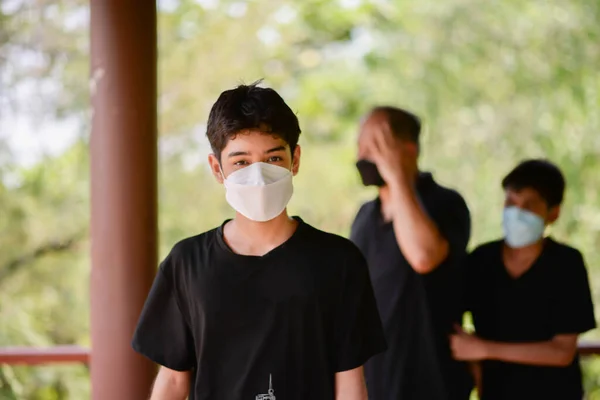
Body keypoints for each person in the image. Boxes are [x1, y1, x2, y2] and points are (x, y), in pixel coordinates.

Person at [131, 82, 387, 400]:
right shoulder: (187, 262)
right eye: (241, 161)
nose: (258, 174)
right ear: (217, 168)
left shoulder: (339, 261)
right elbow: (172, 381)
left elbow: (349, 382)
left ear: (295, 159)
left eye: (273, 158)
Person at [350, 106, 473, 400]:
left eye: (376, 145)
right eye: (361, 145)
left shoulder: (445, 202)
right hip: (375, 382)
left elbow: (423, 257)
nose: (362, 154)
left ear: (408, 148)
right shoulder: (365, 216)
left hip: (433, 381)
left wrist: (397, 178)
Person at [452, 159, 596, 400]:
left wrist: (486, 349)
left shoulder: (566, 264)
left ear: (553, 213)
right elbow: (453, 326)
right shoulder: (480, 260)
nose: (516, 213)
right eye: (511, 202)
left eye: (529, 205)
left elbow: (562, 352)